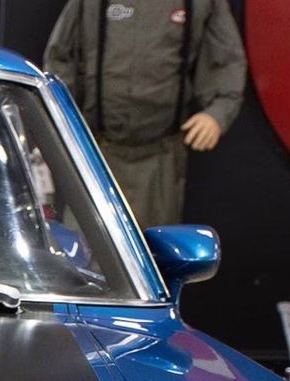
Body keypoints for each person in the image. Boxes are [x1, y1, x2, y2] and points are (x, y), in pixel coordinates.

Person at [43, 0, 246, 229]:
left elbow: (227, 61)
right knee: (85, 245)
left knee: (154, 249)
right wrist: (62, 116)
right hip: (95, 151)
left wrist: (217, 114)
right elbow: (60, 55)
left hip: (159, 159)